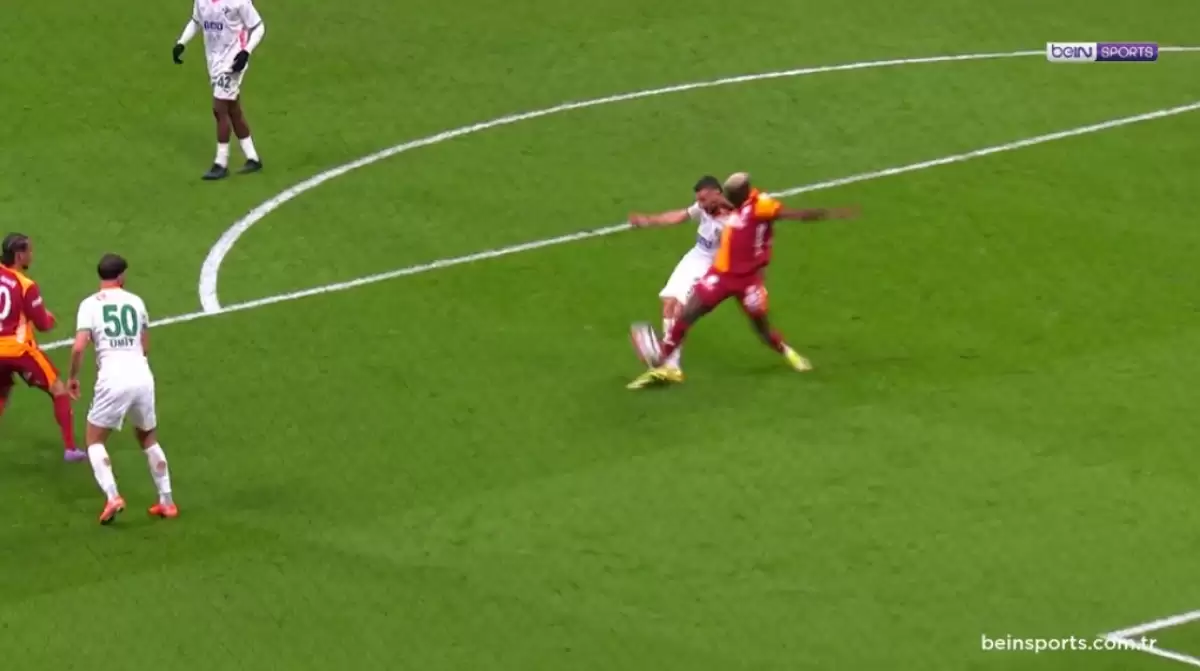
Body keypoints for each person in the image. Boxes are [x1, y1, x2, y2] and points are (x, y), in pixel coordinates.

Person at [636, 173, 858, 376]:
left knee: (762, 328)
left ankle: (787, 351)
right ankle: (665, 360)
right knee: (686, 313)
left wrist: (832, 213)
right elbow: (686, 214)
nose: (703, 204)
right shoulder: (712, 207)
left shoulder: (758, 209)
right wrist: (650, 220)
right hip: (720, 275)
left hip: (747, 281)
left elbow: (789, 217)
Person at [68, 254, 176, 525]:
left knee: (94, 440)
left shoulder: (89, 305)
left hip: (112, 379)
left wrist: (73, 377)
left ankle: (113, 496)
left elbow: (79, 347)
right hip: (141, 375)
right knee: (148, 438)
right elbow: (145, 345)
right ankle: (167, 501)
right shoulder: (136, 302)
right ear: (121, 276)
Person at [625, 175, 735, 389]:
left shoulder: (732, 221)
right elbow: (680, 216)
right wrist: (649, 220)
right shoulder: (706, 207)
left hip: (712, 266)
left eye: (704, 199)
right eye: (699, 200)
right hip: (695, 257)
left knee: (680, 308)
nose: (700, 204)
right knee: (669, 302)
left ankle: (669, 365)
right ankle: (670, 365)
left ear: (717, 194)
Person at [0, 234, 85, 462]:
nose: (31, 255)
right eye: (29, 251)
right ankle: (70, 448)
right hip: (19, 351)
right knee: (58, 389)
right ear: (19, 256)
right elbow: (42, 325)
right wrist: (49, 318)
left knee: (1, 391)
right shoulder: (26, 286)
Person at [173, 0, 267, 180]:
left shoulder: (238, 2)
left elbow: (258, 27)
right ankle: (253, 158)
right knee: (233, 109)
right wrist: (181, 43)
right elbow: (196, 21)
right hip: (214, 61)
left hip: (233, 61)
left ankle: (221, 163)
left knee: (219, 108)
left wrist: (246, 52)